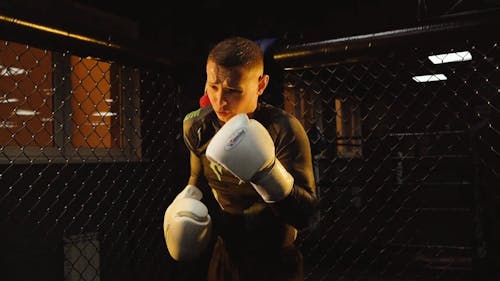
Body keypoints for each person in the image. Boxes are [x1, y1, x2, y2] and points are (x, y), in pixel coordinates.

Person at [164, 36, 319, 281]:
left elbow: (307, 216)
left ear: (260, 85)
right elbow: (197, 178)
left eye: (233, 90)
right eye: (213, 86)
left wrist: (268, 174)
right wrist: (185, 205)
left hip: (275, 261)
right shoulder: (197, 125)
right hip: (225, 256)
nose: (220, 100)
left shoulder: (284, 129)